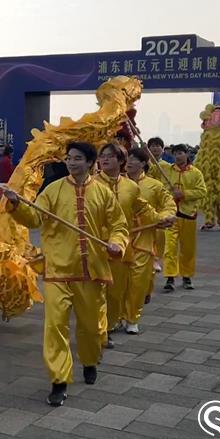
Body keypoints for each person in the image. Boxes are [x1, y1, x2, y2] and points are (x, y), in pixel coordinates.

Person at [3, 142, 127, 407]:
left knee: (90, 327)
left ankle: (90, 360)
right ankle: (59, 379)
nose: (71, 163)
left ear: (90, 162)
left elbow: (119, 225)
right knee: (55, 326)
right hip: (58, 271)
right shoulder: (54, 190)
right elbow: (35, 218)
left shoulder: (103, 193)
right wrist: (16, 205)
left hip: (91, 271)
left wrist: (118, 242)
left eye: (78, 158)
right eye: (69, 158)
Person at [94, 144, 155, 348]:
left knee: (115, 292)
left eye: (110, 156)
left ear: (121, 161)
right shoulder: (90, 184)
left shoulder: (130, 187)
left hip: (120, 246)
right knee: (95, 291)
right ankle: (98, 330)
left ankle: (108, 327)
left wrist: (162, 218)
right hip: (94, 246)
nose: (105, 160)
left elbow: (143, 209)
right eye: (102, 156)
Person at [125, 148, 176, 334]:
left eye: (133, 159)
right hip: (119, 239)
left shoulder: (154, 185)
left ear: (144, 163)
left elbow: (168, 205)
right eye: (127, 159)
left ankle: (132, 318)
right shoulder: (115, 183)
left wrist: (163, 217)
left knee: (138, 281)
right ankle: (116, 316)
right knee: (118, 283)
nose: (129, 162)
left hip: (144, 239)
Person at [161, 144, 207, 293]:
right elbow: (161, 188)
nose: (178, 156)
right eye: (175, 154)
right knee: (170, 247)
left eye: (181, 153)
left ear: (187, 154)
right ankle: (170, 277)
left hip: (188, 214)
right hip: (171, 215)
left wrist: (184, 194)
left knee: (188, 248)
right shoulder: (167, 170)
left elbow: (202, 191)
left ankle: (187, 276)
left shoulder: (196, 173)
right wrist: (170, 194)